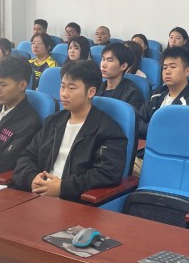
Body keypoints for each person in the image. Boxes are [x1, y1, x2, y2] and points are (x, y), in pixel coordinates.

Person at [12, 60, 127, 200]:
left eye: (72, 88)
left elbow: (107, 174)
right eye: (62, 87)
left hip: (72, 201)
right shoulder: (53, 122)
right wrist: (31, 178)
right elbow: (27, 156)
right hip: (38, 195)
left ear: (91, 92)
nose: (64, 94)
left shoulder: (107, 130)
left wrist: (63, 188)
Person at [140, 46, 189, 137]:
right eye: (164, 68)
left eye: (173, 67)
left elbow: (182, 132)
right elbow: (138, 122)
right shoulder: (156, 94)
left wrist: (152, 130)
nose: (167, 72)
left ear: (187, 71)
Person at [97, 42, 145, 113]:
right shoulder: (96, 86)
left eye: (110, 60)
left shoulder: (132, 93)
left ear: (123, 66)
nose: (103, 65)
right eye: (103, 59)